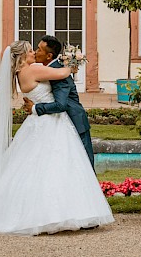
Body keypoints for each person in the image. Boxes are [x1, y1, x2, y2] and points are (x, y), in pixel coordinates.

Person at [0, 40, 114, 236]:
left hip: (37, 123)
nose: (34, 53)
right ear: (22, 56)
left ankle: (29, 212)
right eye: (31, 50)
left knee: (33, 168)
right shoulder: (33, 71)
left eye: (36, 49)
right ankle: (54, 214)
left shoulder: (23, 72)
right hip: (50, 122)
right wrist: (74, 60)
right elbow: (63, 73)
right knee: (57, 167)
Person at [23, 35, 94, 167]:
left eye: (39, 49)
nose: (35, 52)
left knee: (83, 167)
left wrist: (35, 108)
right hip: (57, 124)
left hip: (74, 123)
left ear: (49, 56)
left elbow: (61, 104)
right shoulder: (49, 70)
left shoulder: (57, 72)